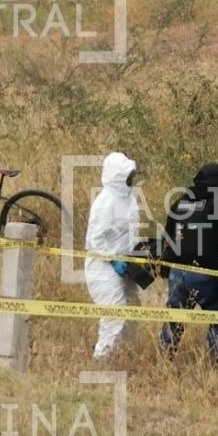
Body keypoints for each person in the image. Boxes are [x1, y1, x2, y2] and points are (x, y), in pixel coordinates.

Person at [159, 162, 218, 359]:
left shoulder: (178, 204)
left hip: (177, 273)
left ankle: (164, 359)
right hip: (209, 275)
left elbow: (167, 239)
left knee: (174, 320)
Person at [85, 152, 144, 363]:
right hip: (103, 267)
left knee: (132, 311)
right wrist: (112, 259)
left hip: (125, 264)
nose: (131, 179)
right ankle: (101, 360)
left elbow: (130, 231)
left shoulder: (129, 199)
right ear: (118, 176)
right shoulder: (105, 202)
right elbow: (94, 240)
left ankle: (123, 357)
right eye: (128, 175)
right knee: (113, 314)